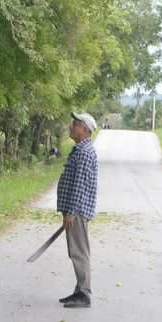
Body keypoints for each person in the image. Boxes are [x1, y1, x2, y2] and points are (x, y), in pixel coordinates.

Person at [56, 112, 99, 308]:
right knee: (77, 251)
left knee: (79, 252)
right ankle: (79, 290)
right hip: (75, 211)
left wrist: (71, 213)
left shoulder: (84, 152)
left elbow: (79, 186)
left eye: (74, 124)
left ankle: (84, 293)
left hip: (78, 212)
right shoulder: (80, 149)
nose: (70, 127)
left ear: (84, 129)